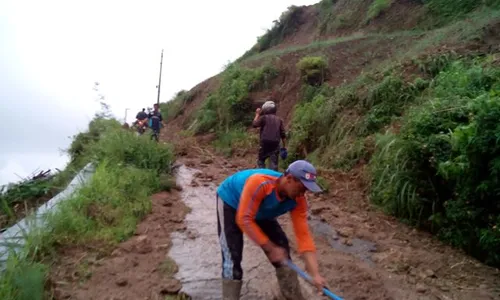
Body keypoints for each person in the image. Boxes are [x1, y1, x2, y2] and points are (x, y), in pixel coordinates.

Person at [216, 160, 326, 300]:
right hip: (231, 202)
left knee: (283, 253)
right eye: (302, 188)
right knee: (232, 258)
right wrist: (269, 247)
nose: (302, 193)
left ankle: (290, 296)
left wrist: (315, 274)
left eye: (306, 190)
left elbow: (303, 236)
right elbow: (244, 219)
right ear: (289, 179)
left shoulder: (299, 200)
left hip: (260, 210)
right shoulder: (260, 183)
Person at [252, 100, 287, 171]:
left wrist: (257, 114)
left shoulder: (263, 118)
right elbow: (283, 135)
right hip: (275, 143)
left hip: (264, 143)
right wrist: (284, 147)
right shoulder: (279, 120)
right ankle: (272, 178)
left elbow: (254, 124)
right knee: (273, 163)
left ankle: (261, 175)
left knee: (261, 160)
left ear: (265, 109)